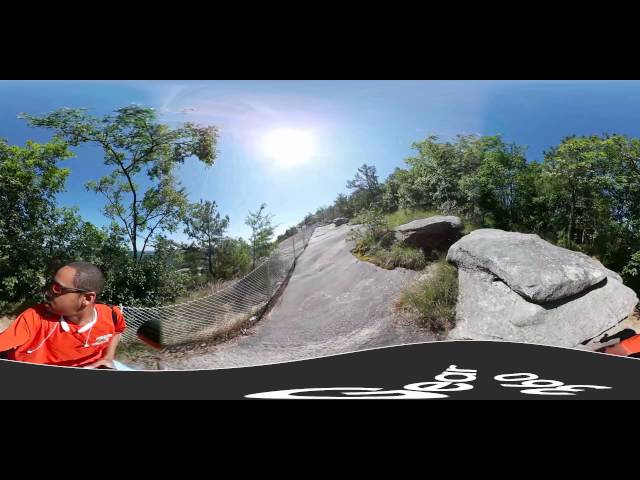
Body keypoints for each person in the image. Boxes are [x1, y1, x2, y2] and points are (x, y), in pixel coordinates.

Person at [0, 261, 126, 368]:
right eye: (51, 285)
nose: (48, 293)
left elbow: (117, 331)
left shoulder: (112, 315)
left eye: (57, 289)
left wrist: (108, 357)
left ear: (87, 298)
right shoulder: (35, 317)